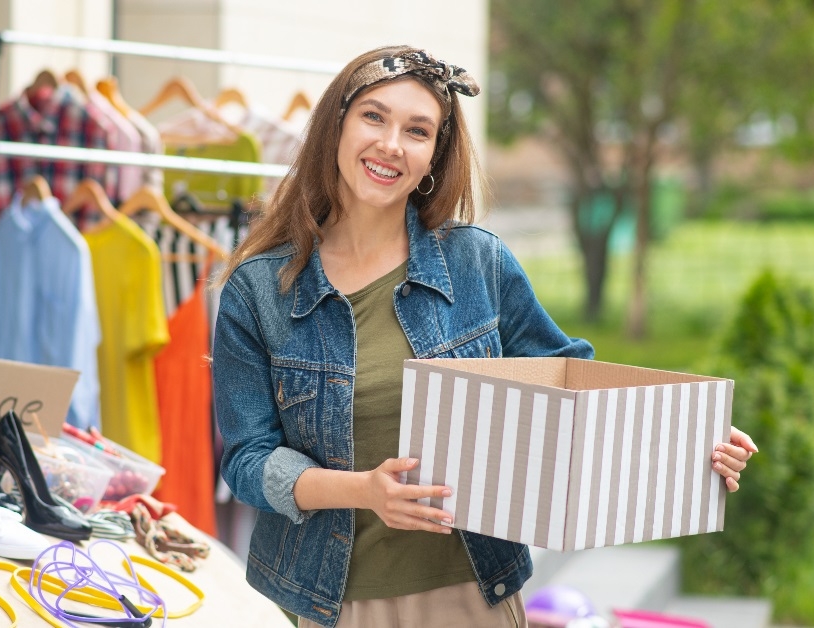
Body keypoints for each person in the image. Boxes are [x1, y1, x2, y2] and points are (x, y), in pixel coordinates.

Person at [210, 45, 758, 628]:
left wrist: (689, 441)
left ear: (433, 158)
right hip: (333, 602)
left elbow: (573, 381)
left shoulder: (477, 263)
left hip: (474, 592)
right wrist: (364, 490)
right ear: (335, 128)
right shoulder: (259, 291)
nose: (391, 144)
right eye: (374, 116)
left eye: (417, 131)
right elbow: (247, 461)